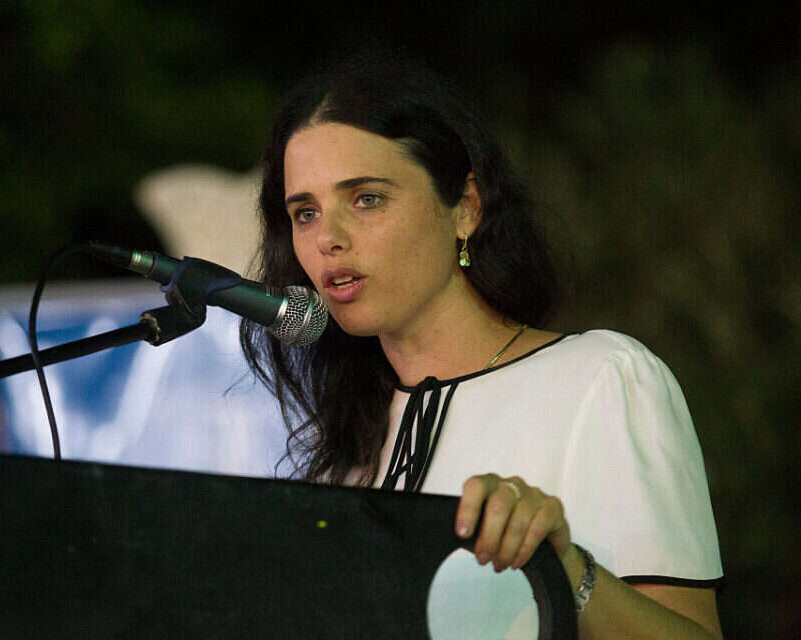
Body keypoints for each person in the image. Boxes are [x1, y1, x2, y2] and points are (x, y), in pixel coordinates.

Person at [240, 56, 724, 638]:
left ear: (466, 207)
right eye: (306, 213)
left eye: (366, 199)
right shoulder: (349, 441)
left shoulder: (601, 379)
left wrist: (564, 570)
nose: (328, 239)